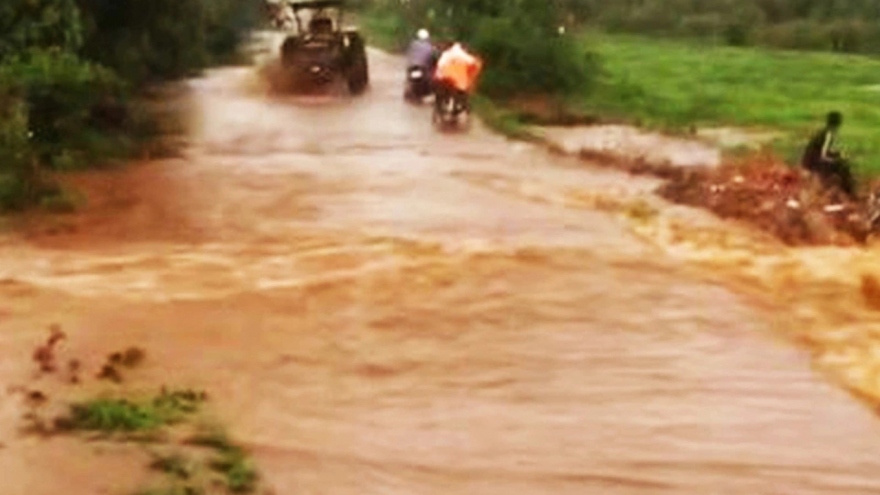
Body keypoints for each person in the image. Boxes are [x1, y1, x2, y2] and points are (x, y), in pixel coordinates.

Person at [801, 110, 856, 199]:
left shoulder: (824, 132)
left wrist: (837, 154)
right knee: (843, 167)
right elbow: (823, 155)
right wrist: (837, 159)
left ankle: (847, 192)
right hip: (813, 163)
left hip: (811, 160)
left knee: (840, 163)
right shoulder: (828, 134)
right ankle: (849, 193)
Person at [433, 41, 483, 113]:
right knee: (463, 94)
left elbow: (440, 65)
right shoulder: (463, 55)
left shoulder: (447, 54)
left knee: (440, 93)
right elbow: (474, 63)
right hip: (458, 82)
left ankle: (440, 107)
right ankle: (461, 107)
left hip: (445, 79)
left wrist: (438, 76)